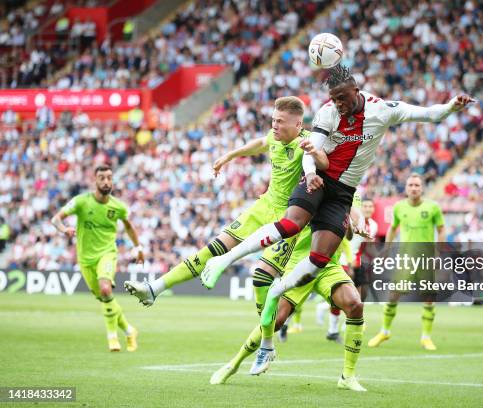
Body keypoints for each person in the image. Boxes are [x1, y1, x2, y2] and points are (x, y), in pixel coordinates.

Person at [202, 64, 474, 332]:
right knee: (291, 224)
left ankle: (278, 291)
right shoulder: (327, 113)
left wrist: (452, 106)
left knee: (319, 258)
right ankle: (224, 260)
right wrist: (309, 175)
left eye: (342, 98)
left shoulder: (382, 109)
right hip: (320, 178)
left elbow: (429, 114)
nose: (338, 104)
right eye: (334, 99)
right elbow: (312, 151)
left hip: (343, 192)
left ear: (357, 91)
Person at [124, 97, 327, 316]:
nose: (274, 125)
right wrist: (230, 155)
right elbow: (261, 143)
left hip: (289, 218)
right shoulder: (274, 137)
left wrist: (315, 157)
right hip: (264, 207)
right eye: (273, 120)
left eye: (280, 121)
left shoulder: (307, 142)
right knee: (212, 249)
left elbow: (323, 160)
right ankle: (154, 289)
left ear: (298, 125)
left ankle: (267, 337)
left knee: (261, 278)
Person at [210, 194, 369, 392]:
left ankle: (348, 376)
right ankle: (233, 364)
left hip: (328, 266)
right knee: (276, 320)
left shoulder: (351, 193)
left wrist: (355, 225)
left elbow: (349, 233)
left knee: (355, 305)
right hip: (300, 264)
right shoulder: (312, 187)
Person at [51, 165, 144, 352]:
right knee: (105, 297)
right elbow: (56, 219)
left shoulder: (118, 206)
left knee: (105, 288)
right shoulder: (81, 202)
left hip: (107, 253)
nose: (106, 181)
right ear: (95, 180)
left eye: (109, 177)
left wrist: (138, 247)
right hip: (85, 259)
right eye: (102, 178)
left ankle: (112, 338)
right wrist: (64, 229)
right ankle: (129, 330)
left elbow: (129, 227)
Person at [367, 174, 444, 351]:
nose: (414, 188)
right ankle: (384, 331)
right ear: (406, 188)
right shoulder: (399, 207)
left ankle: (426, 337)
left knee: (429, 298)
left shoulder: (433, 207)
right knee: (393, 294)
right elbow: (393, 229)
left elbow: (441, 229)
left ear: (422, 188)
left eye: (417, 185)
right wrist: (386, 250)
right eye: (410, 185)